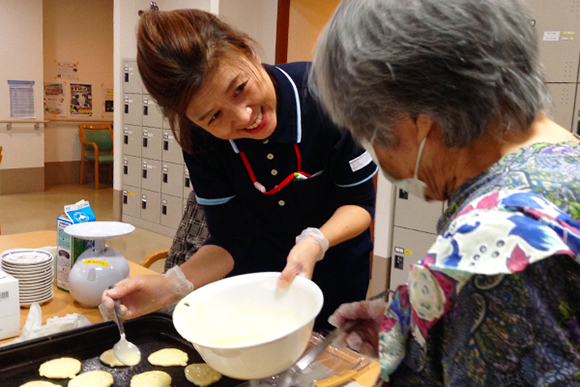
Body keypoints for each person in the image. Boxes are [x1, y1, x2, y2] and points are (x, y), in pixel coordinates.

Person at [310, 0, 580, 385]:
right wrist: (415, 324)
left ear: (419, 122)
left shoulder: (494, 245)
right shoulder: (561, 156)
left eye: (370, 135)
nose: (381, 159)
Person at [101, 8, 377, 330]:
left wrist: (316, 241)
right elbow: (230, 238)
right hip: (253, 284)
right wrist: (168, 287)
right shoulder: (199, 139)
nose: (244, 117)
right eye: (214, 117)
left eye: (239, 88)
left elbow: (359, 203)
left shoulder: (323, 92)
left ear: (248, 51)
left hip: (334, 277)